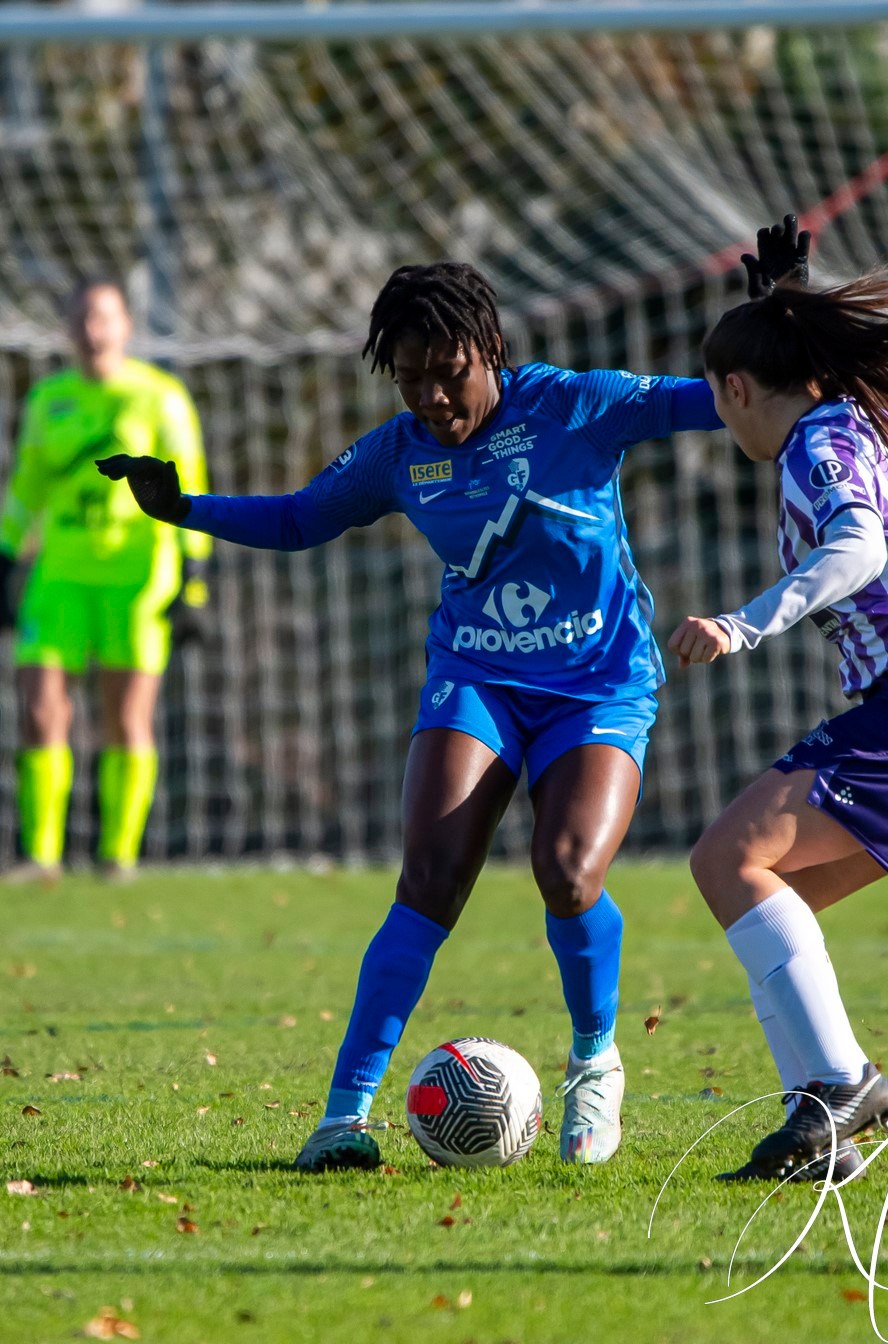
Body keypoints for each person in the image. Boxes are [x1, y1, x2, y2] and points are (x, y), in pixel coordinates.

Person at [101, 259, 726, 1171]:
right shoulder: (399, 452)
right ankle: (343, 1119)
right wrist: (182, 508)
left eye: (449, 371)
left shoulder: (576, 404)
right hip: (475, 678)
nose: (432, 395)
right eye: (410, 377)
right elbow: (301, 518)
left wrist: (782, 316)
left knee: (565, 872)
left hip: (597, 683)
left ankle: (594, 1062)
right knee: (427, 880)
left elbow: (718, 400)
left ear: (492, 352)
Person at [666, 222, 888, 1181]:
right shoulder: (866, 423)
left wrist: (743, 624)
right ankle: (817, 1131)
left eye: (718, 397)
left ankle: (839, 1088)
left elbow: (858, 549)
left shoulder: (810, 446)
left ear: (736, 389)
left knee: (726, 858)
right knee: (766, 892)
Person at [0, 279, 211, 881]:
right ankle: (42, 856)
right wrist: (3, 559)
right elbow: (26, 485)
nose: (94, 330)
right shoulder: (47, 399)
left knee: (127, 716)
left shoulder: (160, 398)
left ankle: (118, 856)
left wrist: (194, 578)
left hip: (137, 579)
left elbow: (190, 486)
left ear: (127, 327)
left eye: (105, 318)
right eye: (83, 318)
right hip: (59, 574)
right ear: (69, 329)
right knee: (40, 709)